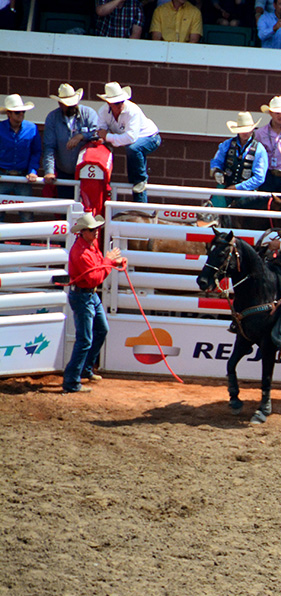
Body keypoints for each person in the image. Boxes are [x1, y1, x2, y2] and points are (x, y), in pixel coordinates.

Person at [63, 212, 127, 394]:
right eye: (92, 230)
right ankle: (71, 381)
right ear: (82, 232)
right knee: (84, 339)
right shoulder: (81, 252)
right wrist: (110, 261)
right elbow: (94, 278)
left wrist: (112, 262)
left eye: (97, 229)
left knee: (100, 330)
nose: (96, 232)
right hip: (84, 296)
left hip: (89, 295)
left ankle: (84, 369)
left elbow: (99, 268)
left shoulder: (90, 245)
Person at [95, 82, 161, 203]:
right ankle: (137, 186)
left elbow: (130, 138)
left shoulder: (132, 110)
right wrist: (104, 136)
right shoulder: (103, 112)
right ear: (109, 103)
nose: (120, 104)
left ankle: (140, 181)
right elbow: (100, 130)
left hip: (151, 137)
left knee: (133, 149)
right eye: (116, 103)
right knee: (132, 151)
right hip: (134, 141)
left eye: (121, 101)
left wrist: (107, 136)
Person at [42, 84, 99, 199]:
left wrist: (81, 136)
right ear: (60, 104)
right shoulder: (52, 118)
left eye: (74, 103)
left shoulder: (88, 114)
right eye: (69, 105)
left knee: (86, 210)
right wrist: (49, 171)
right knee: (65, 208)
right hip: (64, 171)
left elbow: (98, 133)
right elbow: (49, 147)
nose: (72, 106)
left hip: (87, 174)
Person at [210, 111, 268, 202]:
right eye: (242, 129)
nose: (245, 132)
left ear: (252, 130)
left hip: (247, 196)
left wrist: (237, 188)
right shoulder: (227, 144)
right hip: (226, 189)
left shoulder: (259, 150)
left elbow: (259, 178)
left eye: (247, 129)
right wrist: (216, 170)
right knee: (210, 212)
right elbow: (216, 161)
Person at [1, 94, 40, 210]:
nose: (21, 114)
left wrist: (32, 171)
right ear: (9, 114)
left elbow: (36, 152)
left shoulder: (32, 128)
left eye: (23, 112)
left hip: (23, 176)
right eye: (17, 112)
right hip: (2, 175)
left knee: (27, 212)